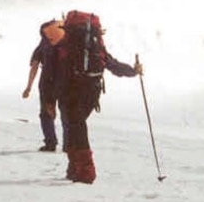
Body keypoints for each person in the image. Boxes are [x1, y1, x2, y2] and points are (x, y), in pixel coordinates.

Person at [53, 11, 143, 184]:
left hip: (70, 92)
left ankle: (85, 171)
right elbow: (111, 64)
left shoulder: (65, 46)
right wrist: (133, 70)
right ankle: (76, 168)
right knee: (76, 125)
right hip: (91, 92)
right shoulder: (95, 46)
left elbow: (53, 72)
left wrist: (49, 98)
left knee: (73, 126)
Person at [23, 19, 65, 152]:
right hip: (66, 82)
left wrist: (28, 87)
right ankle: (70, 144)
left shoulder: (43, 45)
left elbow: (34, 66)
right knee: (67, 113)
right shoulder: (67, 43)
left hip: (47, 83)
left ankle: (50, 143)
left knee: (46, 113)